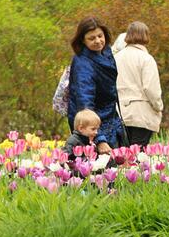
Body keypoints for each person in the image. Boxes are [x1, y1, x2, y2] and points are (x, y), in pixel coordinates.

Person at [68, 16, 125, 155]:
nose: (98, 41)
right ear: (83, 40)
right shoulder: (82, 63)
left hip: (111, 116)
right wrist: (99, 139)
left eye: (100, 36)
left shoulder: (106, 52)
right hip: (91, 122)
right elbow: (84, 102)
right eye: (92, 38)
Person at [115, 21, 164, 147]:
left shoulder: (116, 58)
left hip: (119, 113)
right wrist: (158, 106)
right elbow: (150, 88)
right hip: (141, 114)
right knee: (138, 155)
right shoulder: (146, 59)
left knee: (124, 156)